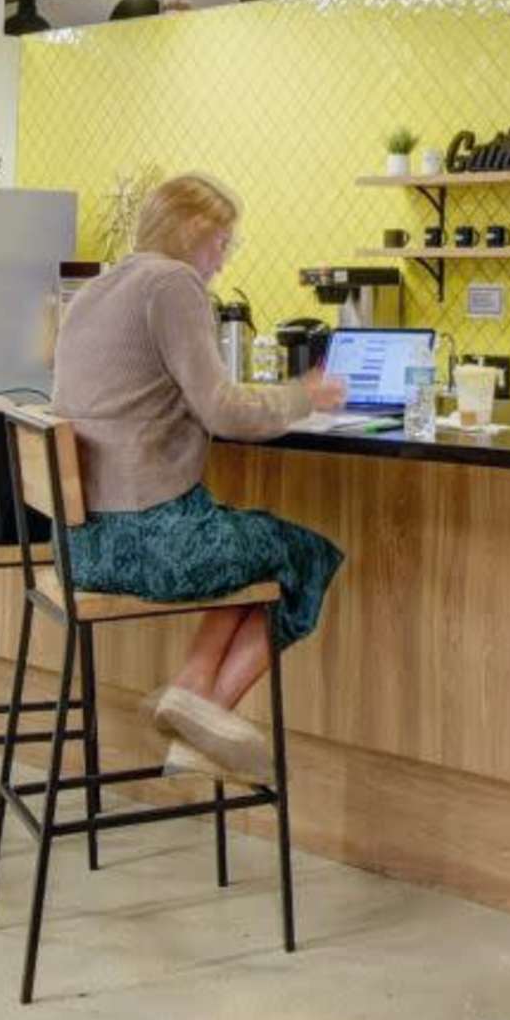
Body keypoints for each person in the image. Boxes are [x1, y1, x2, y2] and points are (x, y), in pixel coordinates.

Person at [47, 172, 347, 783]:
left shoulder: (97, 289)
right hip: (150, 545)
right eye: (223, 244)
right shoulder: (173, 283)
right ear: (192, 230)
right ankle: (205, 709)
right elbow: (224, 411)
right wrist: (304, 396)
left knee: (250, 540)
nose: (221, 261)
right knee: (305, 557)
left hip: (81, 547)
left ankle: (192, 702)